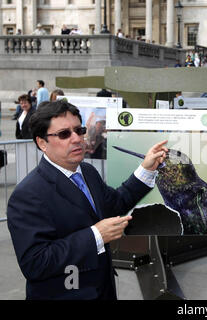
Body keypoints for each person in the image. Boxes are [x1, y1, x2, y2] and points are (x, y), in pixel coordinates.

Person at [7, 100, 168, 299]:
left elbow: (115, 204)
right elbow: (35, 263)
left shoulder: (88, 172)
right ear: (42, 143)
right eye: (64, 134)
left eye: (79, 130)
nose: (76, 139)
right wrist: (96, 236)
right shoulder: (28, 195)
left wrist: (146, 169)